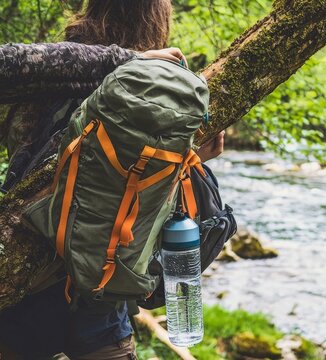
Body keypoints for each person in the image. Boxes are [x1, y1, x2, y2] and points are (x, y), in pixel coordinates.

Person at [0, 1, 223, 359]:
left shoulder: (52, 74)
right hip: (103, 293)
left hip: (27, 289)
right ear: (156, 23)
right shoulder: (152, 89)